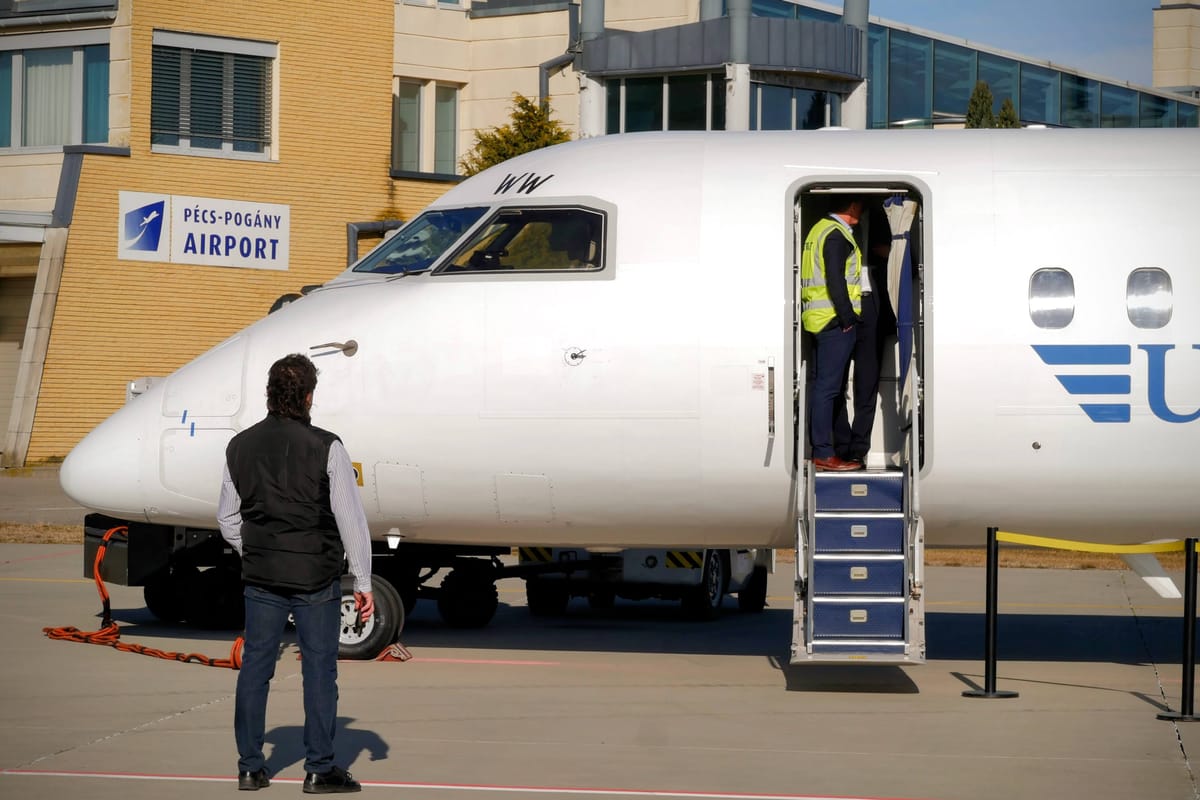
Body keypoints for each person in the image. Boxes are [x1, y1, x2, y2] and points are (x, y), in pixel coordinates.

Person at [218, 353, 374, 793]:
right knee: (319, 671)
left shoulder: (239, 445)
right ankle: (318, 768)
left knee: (255, 669)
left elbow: (228, 517)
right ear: (308, 397)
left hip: (261, 577)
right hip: (316, 578)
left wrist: (259, 550)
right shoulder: (328, 446)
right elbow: (351, 521)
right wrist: (363, 582)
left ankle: (250, 766)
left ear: (270, 394)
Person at [801, 196, 866, 472]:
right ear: (852, 207)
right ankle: (824, 453)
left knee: (825, 387)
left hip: (817, 319)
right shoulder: (837, 235)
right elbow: (835, 280)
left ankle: (831, 448)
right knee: (828, 389)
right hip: (832, 321)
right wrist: (848, 318)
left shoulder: (819, 229)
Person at [832, 214, 897, 466]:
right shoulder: (835, 232)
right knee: (835, 384)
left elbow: (910, 265)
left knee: (866, 384)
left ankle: (859, 449)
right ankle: (841, 444)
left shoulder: (884, 222)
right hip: (840, 309)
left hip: (872, 308)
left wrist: (888, 254)